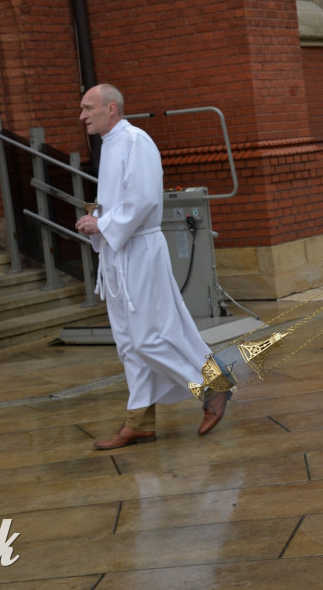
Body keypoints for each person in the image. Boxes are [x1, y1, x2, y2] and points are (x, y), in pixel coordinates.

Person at [75, 84, 230, 449]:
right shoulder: (111, 145)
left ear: (111, 109)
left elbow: (143, 198)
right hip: (121, 253)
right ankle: (139, 421)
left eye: (88, 108)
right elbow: (124, 201)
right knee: (129, 343)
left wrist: (104, 224)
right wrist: (97, 219)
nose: (82, 116)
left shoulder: (136, 141)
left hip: (140, 250)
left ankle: (213, 386)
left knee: (149, 336)